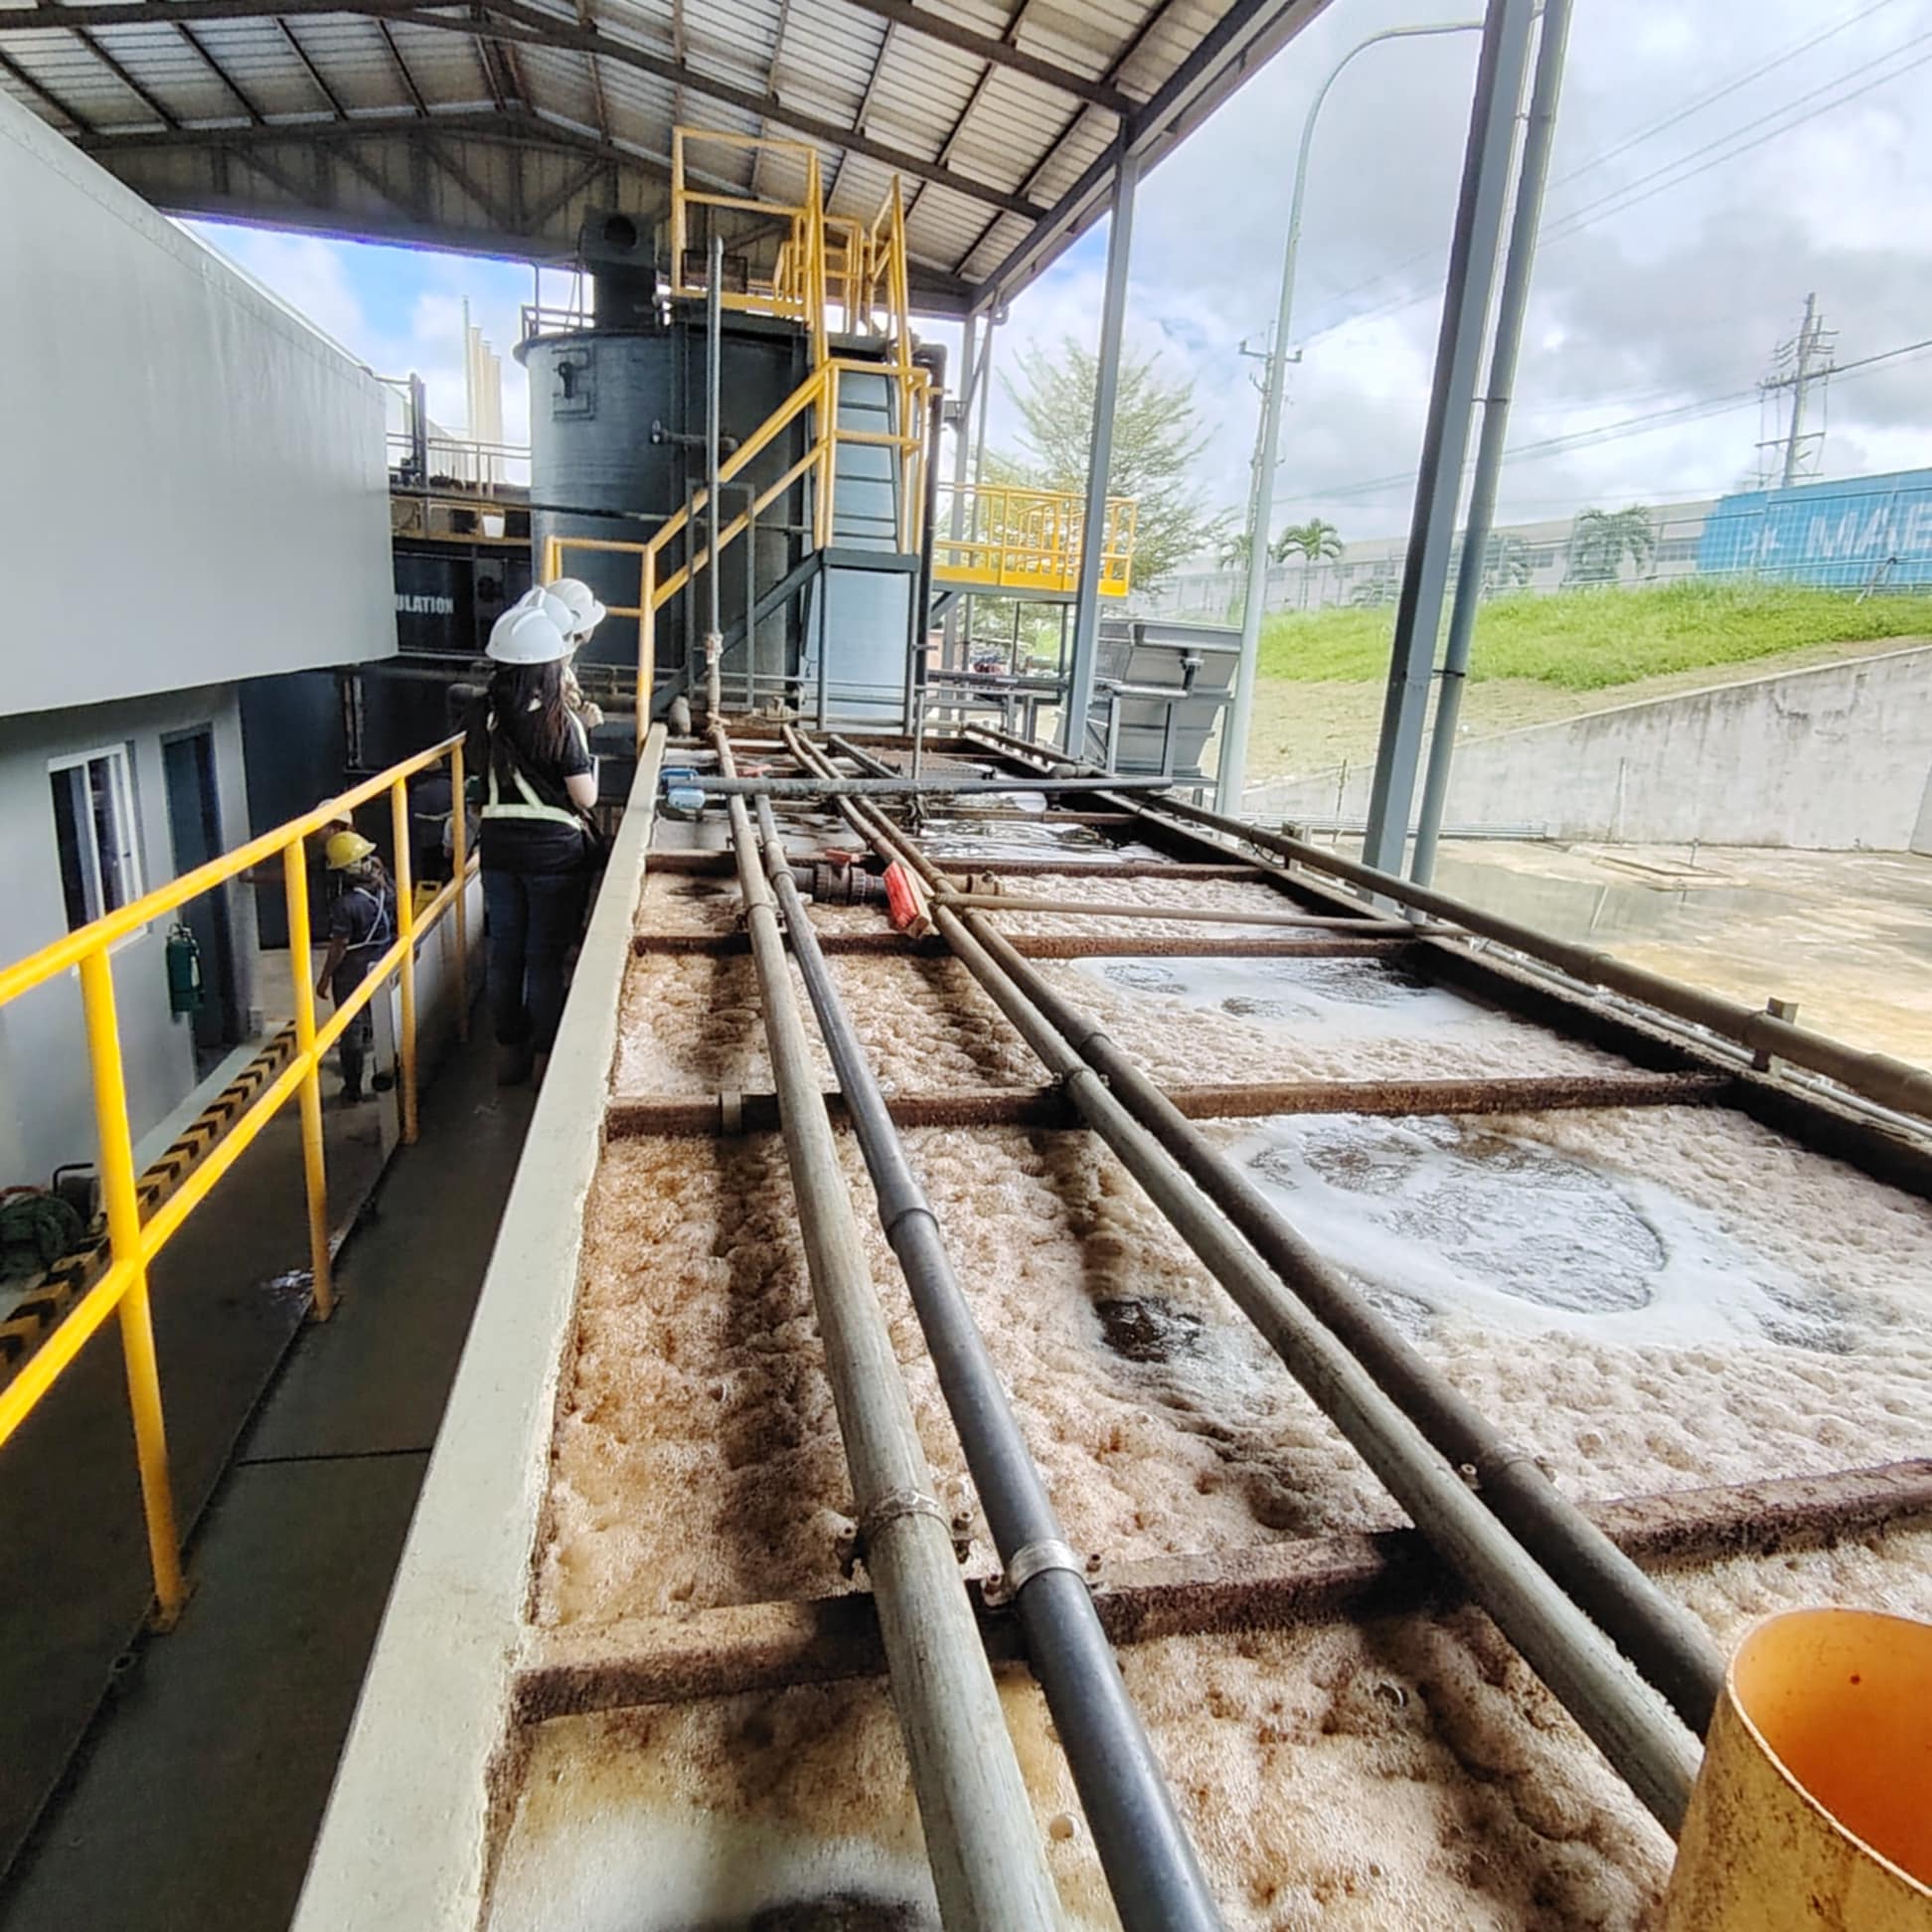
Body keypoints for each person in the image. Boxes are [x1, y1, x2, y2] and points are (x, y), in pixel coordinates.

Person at [470, 595, 601, 1086]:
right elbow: (584, 797)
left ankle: (510, 1052)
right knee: (543, 959)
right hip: (552, 855)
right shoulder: (558, 720)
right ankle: (546, 1057)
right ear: (551, 667)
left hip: (499, 848)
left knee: (505, 952)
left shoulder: (484, 716)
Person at [315, 830, 397, 1105]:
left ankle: (352, 1089)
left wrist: (325, 978)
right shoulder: (386, 890)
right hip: (383, 961)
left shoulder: (345, 905)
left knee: (351, 1028)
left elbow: (339, 946)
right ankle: (387, 1082)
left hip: (353, 970)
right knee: (384, 1023)